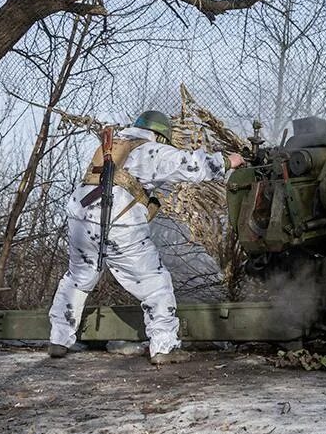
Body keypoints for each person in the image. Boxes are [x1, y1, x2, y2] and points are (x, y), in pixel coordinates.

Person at [47, 110, 242, 364]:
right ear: (160, 135)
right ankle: (163, 347)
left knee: (77, 278)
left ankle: (59, 339)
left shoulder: (114, 144)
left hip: (81, 219)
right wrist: (228, 161)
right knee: (155, 283)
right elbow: (191, 166)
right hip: (119, 222)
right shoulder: (149, 150)